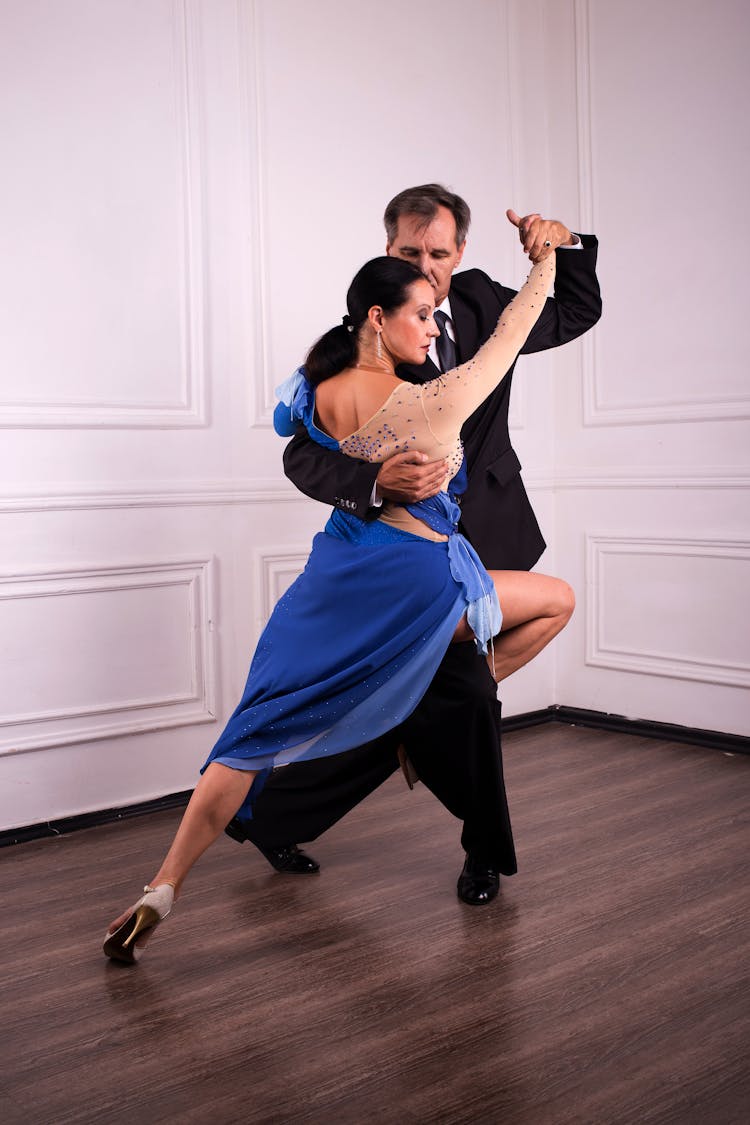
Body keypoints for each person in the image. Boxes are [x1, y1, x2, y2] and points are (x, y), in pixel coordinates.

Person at [103, 242, 572, 963]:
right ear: (379, 318)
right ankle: (412, 714)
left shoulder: (315, 388)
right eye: (422, 315)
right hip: (419, 587)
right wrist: (547, 258)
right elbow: (513, 330)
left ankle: (163, 884)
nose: (434, 327)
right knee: (558, 600)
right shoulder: (430, 399)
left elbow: (299, 439)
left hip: (334, 582)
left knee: (249, 735)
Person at [225, 185, 602, 905]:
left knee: (447, 700)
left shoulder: (489, 299)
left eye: (438, 252)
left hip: (486, 527)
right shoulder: (361, 343)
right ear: (387, 249)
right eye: (408, 252)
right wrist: (375, 481)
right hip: (399, 557)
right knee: (455, 702)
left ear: (460, 252)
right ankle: (482, 854)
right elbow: (302, 455)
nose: (425, 267)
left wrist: (565, 245)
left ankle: (280, 814)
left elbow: (575, 310)